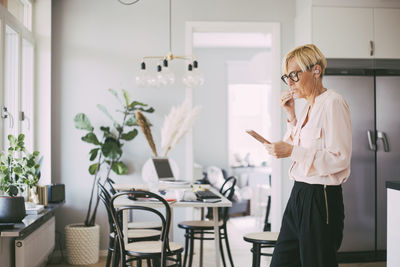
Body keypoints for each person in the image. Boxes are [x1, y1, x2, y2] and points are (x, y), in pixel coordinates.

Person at [265, 44, 352, 267]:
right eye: (287, 77)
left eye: (295, 74)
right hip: (300, 194)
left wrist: (292, 151)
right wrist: (291, 115)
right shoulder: (307, 108)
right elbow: (297, 144)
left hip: (320, 198)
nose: (290, 83)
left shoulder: (333, 102)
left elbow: (340, 158)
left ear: (316, 71)